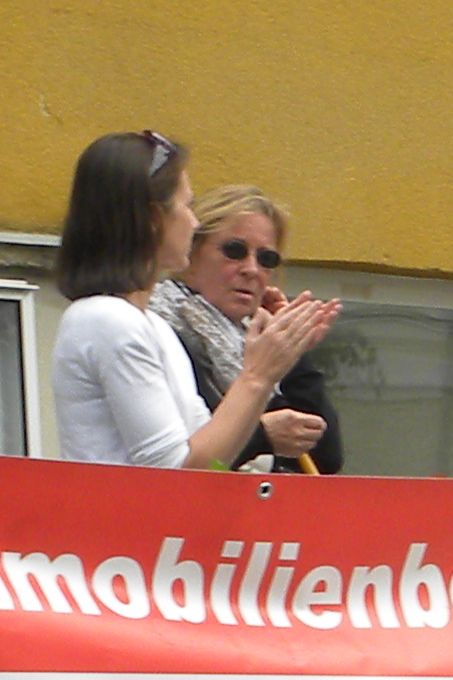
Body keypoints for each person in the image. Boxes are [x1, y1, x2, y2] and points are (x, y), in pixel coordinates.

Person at [48, 131, 332, 468]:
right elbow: (173, 471)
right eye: (186, 205)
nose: (194, 222)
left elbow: (213, 455)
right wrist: (257, 376)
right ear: (154, 219)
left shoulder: (152, 326)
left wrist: (279, 358)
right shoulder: (107, 319)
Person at [159, 183, 343, 472]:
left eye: (266, 259)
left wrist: (291, 347)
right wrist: (262, 437)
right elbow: (181, 459)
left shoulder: (250, 337)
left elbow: (325, 458)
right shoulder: (161, 327)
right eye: (235, 251)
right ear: (191, 250)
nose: (251, 269)